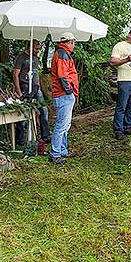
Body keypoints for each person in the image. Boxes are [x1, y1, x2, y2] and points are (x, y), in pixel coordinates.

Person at [13, 40, 50, 144]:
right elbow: (15, 74)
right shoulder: (21, 57)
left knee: (43, 109)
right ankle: (20, 139)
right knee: (23, 112)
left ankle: (45, 136)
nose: (38, 51)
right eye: (36, 48)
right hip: (24, 87)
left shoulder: (35, 58)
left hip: (36, 88)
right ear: (30, 47)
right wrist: (19, 91)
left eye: (39, 48)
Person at [49, 32, 78, 164]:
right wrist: (69, 91)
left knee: (65, 125)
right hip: (63, 94)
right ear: (70, 42)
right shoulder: (62, 54)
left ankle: (62, 150)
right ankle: (55, 154)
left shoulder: (63, 53)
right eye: (73, 43)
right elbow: (62, 75)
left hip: (64, 94)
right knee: (61, 125)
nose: (74, 45)